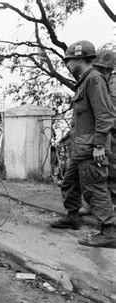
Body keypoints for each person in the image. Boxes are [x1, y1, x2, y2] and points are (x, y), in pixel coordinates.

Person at [50, 40, 115, 248]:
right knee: (69, 184)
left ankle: (109, 231)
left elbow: (105, 115)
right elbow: (83, 119)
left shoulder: (94, 80)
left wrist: (98, 146)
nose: (67, 64)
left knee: (95, 189)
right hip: (80, 148)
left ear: (79, 58)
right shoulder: (85, 80)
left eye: (69, 60)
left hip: (90, 149)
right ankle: (73, 218)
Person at [92, 49, 116, 208]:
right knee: (99, 169)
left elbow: (110, 110)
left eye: (100, 68)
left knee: (111, 169)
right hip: (104, 132)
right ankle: (98, 203)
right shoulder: (100, 81)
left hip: (111, 132)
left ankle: (111, 204)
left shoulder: (113, 84)